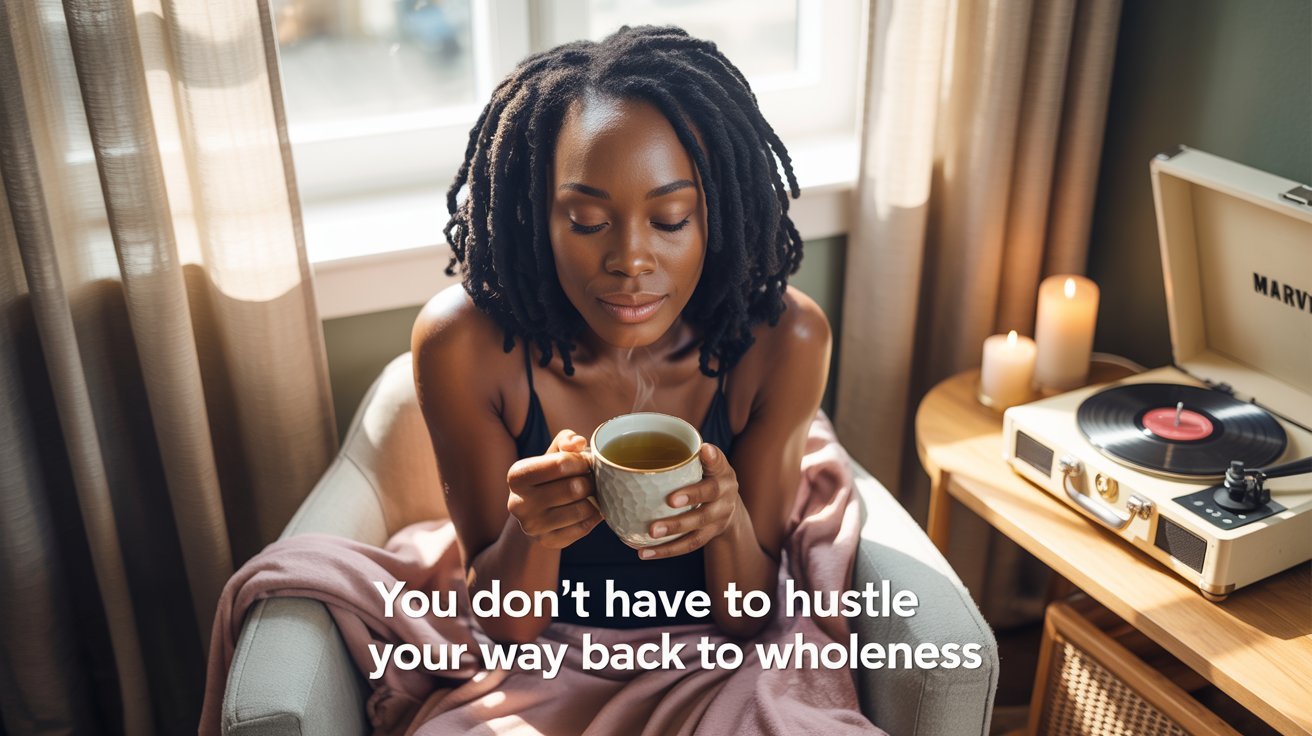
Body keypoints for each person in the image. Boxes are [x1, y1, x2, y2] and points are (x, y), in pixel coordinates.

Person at [411, 25, 831, 643]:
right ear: (535, 218)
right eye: (587, 222)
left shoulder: (784, 343)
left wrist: (727, 518)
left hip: (709, 655)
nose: (630, 260)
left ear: (718, 214)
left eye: (670, 219)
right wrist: (530, 531)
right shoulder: (462, 349)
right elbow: (504, 627)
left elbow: (747, 618)